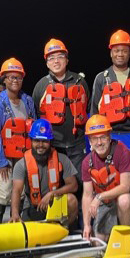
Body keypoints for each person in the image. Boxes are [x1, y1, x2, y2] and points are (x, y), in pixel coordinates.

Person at [91, 29, 130, 230]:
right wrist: (95, 139)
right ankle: (109, 214)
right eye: (116, 51)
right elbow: (94, 110)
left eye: (124, 50)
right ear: (111, 53)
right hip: (110, 135)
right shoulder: (102, 78)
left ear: (129, 52)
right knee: (109, 176)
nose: (120, 54)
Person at [0, 58, 37, 224]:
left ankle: (16, 222)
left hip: (22, 155)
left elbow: (33, 128)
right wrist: (0, 161)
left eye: (18, 77)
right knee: (4, 190)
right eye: (11, 77)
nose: (15, 81)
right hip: (4, 157)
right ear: (4, 79)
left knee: (21, 191)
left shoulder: (27, 101)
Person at [32, 38, 91, 177]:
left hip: (77, 145)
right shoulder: (41, 86)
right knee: (55, 184)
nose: (56, 61)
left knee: (79, 184)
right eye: (51, 58)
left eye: (60, 57)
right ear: (46, 62)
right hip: (52, 146)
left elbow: (88, 110)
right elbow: (36, 115)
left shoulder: (80, 82)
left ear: (67, 59)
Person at [10, 119, 78, 226]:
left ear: (50, 142)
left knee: (72, 200)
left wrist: (52, 194)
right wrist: (14, 213)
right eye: (37, 141)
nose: (40, 145)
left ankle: (64, 230)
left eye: (45, 141)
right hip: (33, 207)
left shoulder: (62, 159)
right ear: (31, 141)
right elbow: (16, 191)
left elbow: (73, 185)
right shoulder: (21, 164)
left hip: (54, 204)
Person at [81, 115, 130, 241]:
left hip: (123, 195)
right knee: (99, 242)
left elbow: (125, 187)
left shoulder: (123, 152)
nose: (99, 142)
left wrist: (99, 197)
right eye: (94, 139)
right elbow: (87, 195)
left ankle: (125, 237)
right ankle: (111, 227)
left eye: (102, 137)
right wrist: (86, 225)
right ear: (90, 141)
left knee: (124, 200)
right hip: (105, 202)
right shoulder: (87, 162)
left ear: (109, 136)